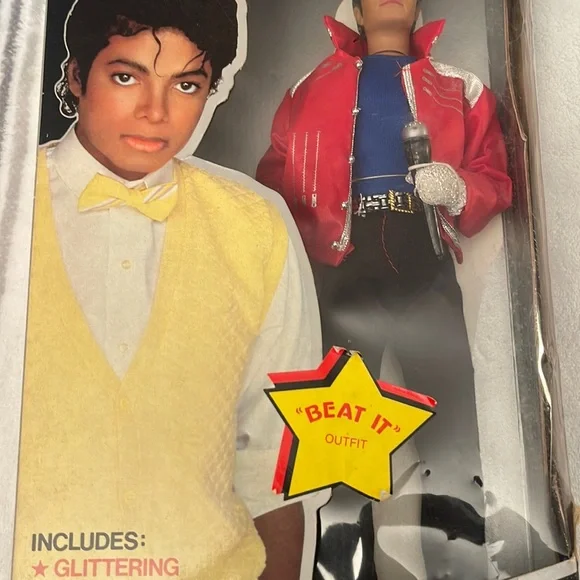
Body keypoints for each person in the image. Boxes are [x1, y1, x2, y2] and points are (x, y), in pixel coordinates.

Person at [12, 1, 319, 579]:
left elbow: (274, 460)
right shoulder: (7, 206)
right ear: (75, 76)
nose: (155, 112)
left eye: (186, 84)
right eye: (126, 77)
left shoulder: (255, 227)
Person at [256, 0, 512, 577]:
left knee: (451, 422)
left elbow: (495, 175)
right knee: (337, 431)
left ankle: (465, 563)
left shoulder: (459, 86)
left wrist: (459, 189)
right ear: (355, 7)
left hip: (424, 255)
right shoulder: (308, 87)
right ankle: (339, 562)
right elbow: (272, 184)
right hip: (342, 263)